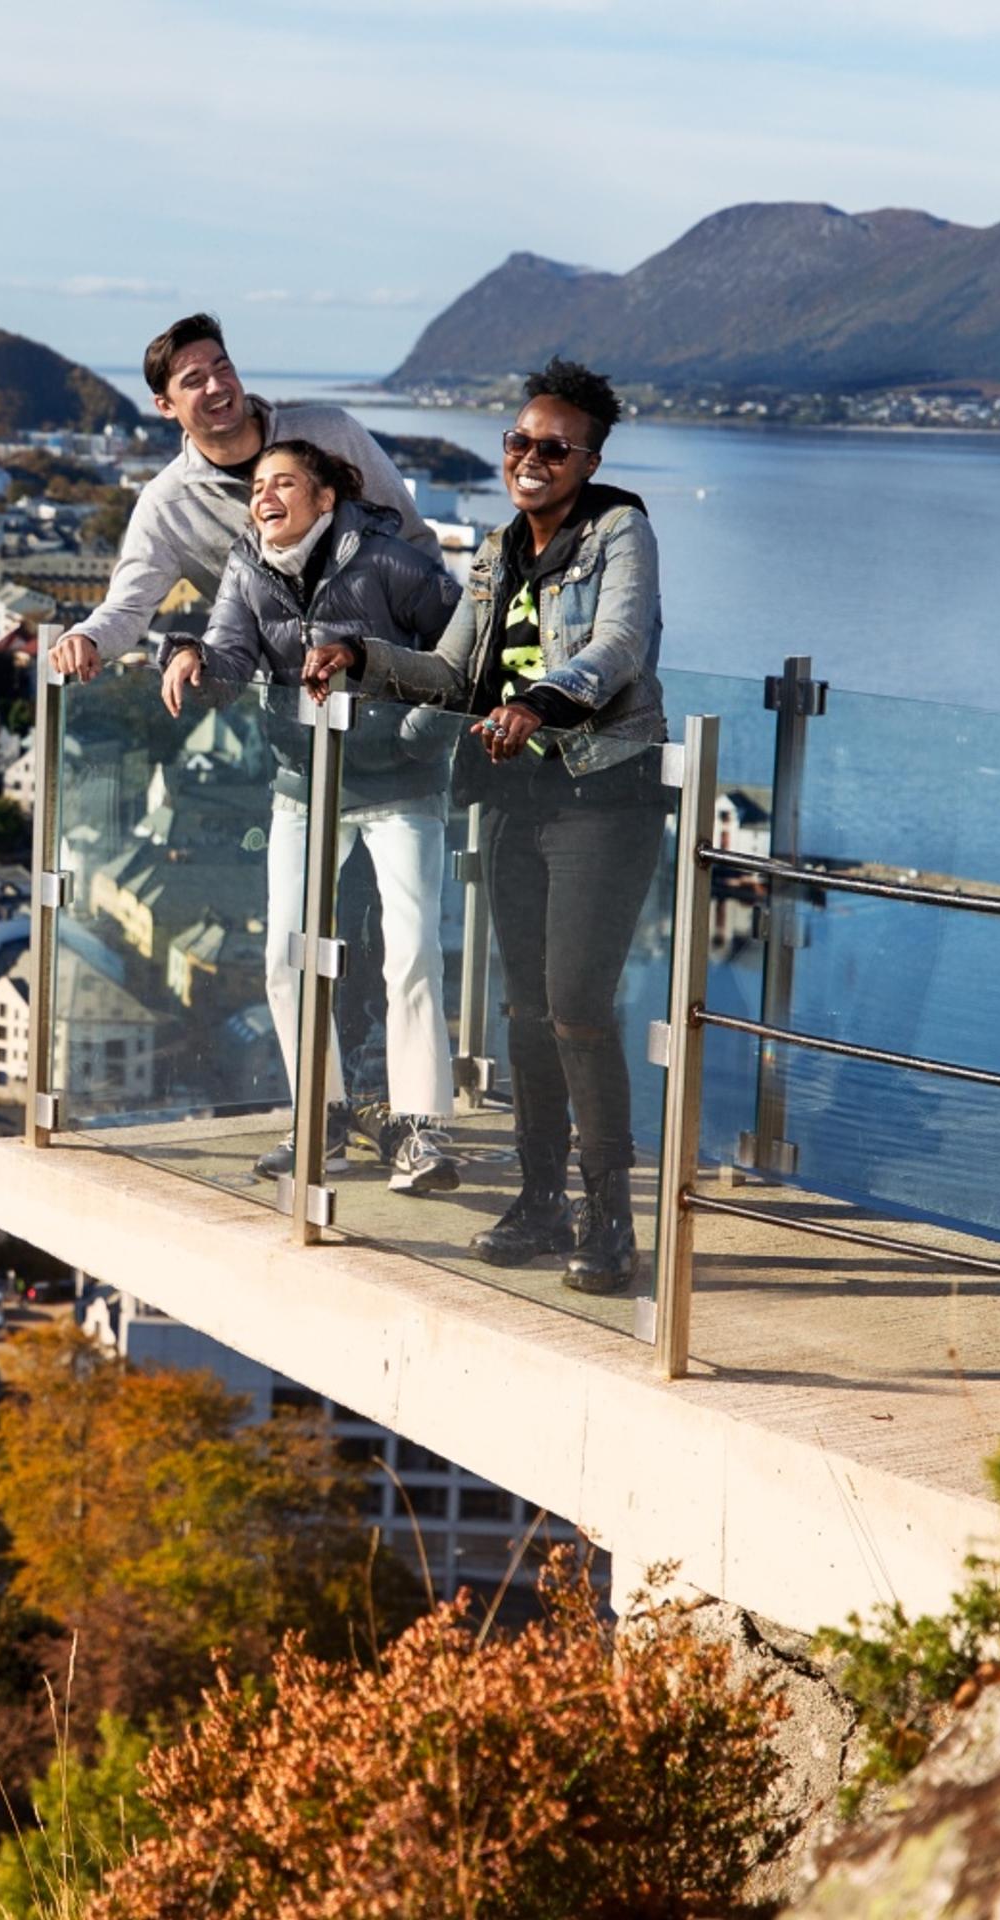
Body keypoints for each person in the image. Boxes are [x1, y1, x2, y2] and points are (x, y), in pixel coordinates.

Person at [339, 359, 665, 1293]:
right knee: (524, 1011)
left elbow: (620, 645)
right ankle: (539, 1200)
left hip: (605, 796)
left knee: (578, 1010)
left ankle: (611, 1223)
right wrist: (362, 655)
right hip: (517, 801)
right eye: (519, 441)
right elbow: (451, 673)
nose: (530, 458)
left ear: (588, 458)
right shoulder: (494, 552)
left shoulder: (620, 530)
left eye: (553, 448)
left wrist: (544, 700)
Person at [183, 440, 466, 1193]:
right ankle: (325, 1116)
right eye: (256, 488)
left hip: (399, 782)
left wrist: (415, 735)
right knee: (285, 956)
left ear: (325, 498)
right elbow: (230, 653)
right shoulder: (248, 565)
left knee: (411, 953)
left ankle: (419, 1130)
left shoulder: (389, 561)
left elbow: (464, 659)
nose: (264, 497)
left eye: (283, 483)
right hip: (303, 781)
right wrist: (187, 660)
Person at [38, 314, 426, 685]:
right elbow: (128, 606)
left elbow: (415, 542)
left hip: (395, 686)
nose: (216, 386)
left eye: (223, 368)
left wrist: (431, 671)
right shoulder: (167, 504)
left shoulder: (331, 433)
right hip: (289, 710)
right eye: (194, 380)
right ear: (165, 406)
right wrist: (87, 638)